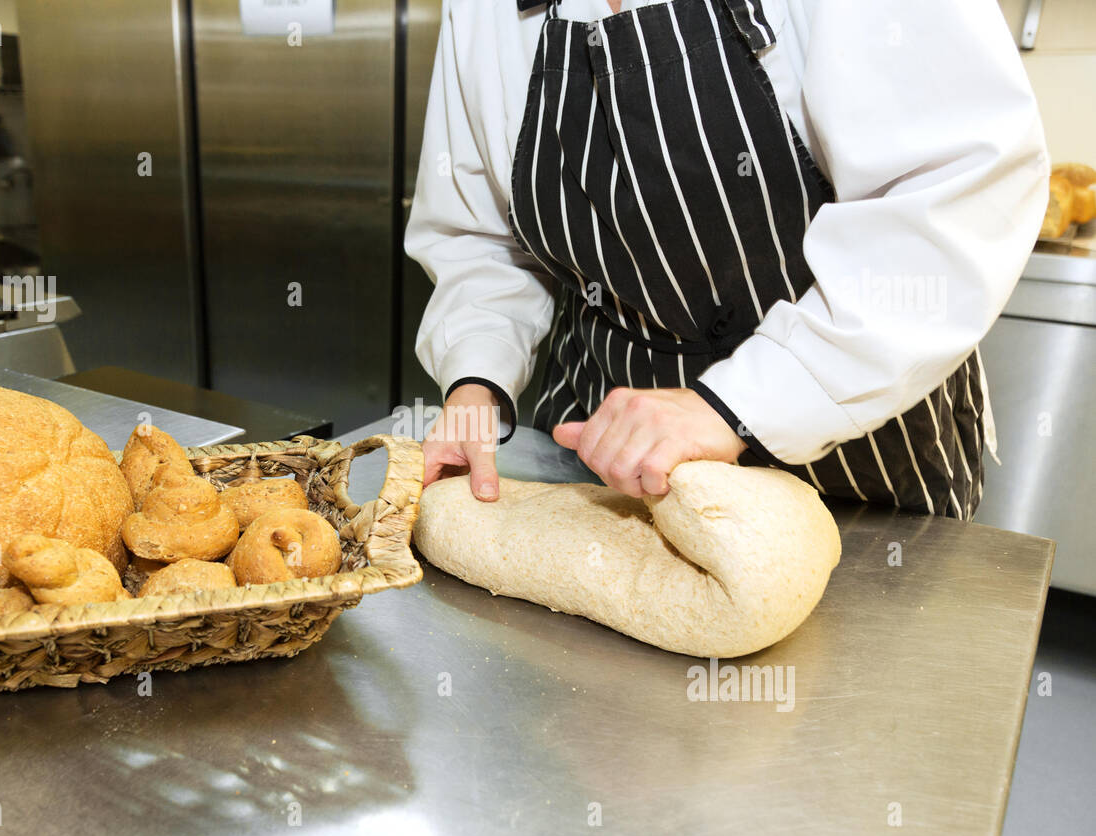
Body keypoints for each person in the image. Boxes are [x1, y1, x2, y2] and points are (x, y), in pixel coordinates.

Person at [405, 0, 1048, 519]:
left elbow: (956, 197)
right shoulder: (481, 12)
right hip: (601, 474)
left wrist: (737, 402)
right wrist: (477, 380)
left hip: (862, 470)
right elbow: (482, 239)